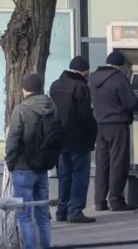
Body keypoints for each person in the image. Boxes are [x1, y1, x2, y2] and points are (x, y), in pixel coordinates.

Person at [5, 74, 60, 249]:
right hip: (42, 166)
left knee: (24, 215)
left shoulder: (21, 109)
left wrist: (10, 161)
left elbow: (13, 139)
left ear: (24, 89)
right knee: (43, 215)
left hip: (23, 167)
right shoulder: (52, 107)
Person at [89, 51, 138, 212]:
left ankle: (99, 201)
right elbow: (130, 102)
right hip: (117, 125)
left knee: (102, 164)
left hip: (100, 125)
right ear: (120, 65)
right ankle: (116, 200)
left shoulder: (92, 78)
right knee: (118, 163)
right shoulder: (119, 78)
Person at [49, 55, 97, 223]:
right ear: (84, 71)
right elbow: (86, 115)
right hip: (79, 140)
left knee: (64, 176)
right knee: (79, 176)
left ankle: (61, 211)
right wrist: (94, 133)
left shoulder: (55, 85)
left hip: (60, 139)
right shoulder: (81, 87)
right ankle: (75, 211)